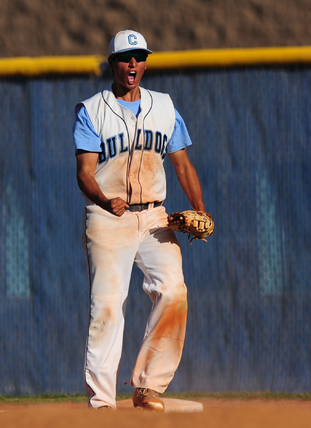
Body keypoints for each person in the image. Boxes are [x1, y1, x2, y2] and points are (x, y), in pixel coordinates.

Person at [72, 29, 207, 411]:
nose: (133, 63)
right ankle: (101, 403)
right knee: (108, 307)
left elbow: (182, 164)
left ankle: (148, 387)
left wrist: (200, 208)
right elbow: (84, 173)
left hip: (154, 216)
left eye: (140, 56)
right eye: (125, 57)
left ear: (145, 62)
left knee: (174, 291)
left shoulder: (164, 107)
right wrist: (102, 198)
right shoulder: (91, 110)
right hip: (107, 218)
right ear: (112, 63)